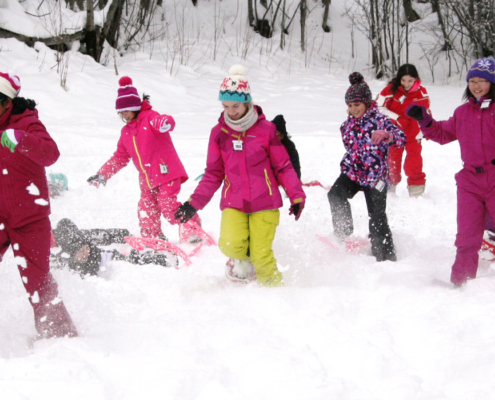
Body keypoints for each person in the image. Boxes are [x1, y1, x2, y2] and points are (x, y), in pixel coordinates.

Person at [174, 65, 305, 286]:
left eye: (235, 105)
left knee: (262, 255)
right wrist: (193, 203)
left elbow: (283, 166)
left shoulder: (266, 130)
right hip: (234, 201)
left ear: (247, 102)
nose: (231, 111)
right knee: (229, 245)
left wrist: (297, 195)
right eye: (225, 106)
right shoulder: (219, 133)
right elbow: (214, 173)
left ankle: (277, 295)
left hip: (265, 202)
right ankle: (245, 262)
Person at [0, 72, 77, 339]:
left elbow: (50, 154)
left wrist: (22, 141)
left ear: (9, 102)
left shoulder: (27, 123)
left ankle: (59, 337)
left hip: (29, 217)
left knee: (38, 282)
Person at [406, 57, 495, 286]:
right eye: (472, 81)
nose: (476, 86)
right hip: (469, 182)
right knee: (466, 239)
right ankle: (461, 285)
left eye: (482, 81)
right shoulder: (463, 112)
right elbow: (442, 134)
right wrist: (424, 120)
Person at [88, 76, 201, 243]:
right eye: (120, 112)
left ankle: (194, 229)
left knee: (168, 206)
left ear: (134, 107)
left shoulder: (150, 117)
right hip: (147, 179)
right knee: (146, 209)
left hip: (167, 173)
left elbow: (164, 120)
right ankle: (153, 238)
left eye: (125, 111)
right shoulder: (126, 132)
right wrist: (102, 174)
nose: (123, 115)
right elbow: (119, 157)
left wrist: (166, 123)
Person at [328, 72, 406, 262]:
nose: (354, 109)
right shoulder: (346, 126)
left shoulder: (381, 120)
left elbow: (401, 137)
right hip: (353, 173)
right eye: (350, 105)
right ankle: (343, 231)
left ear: (367, 103)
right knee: (335, 195)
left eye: (357, 105)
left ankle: (385, 253)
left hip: (375, 176)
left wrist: (388, 135)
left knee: (377, 216)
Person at [51, 219, 177, 276]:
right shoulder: (61, 261)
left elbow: (99, 238)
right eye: (81, 251)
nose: (86, 253)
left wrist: (154, 258)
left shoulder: (93, 253)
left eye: (86, 249)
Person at [376, 64, 431, 197]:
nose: (406, 84)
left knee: (414, 161)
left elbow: (426, 111)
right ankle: (389, 189)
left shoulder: (422, 92)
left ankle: (416, 190)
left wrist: (428, 127)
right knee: (392, 160)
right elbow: (378, 108)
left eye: (410, 80)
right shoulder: (390, 90)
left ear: (415, 80)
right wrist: (397, 118)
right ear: (399, 79)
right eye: (403, 80)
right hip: (394, 133)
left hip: (414, 131)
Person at [271, 115, 301, 180]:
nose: (278, 138)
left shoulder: (289, 146)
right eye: (276, 135)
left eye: (280, 135)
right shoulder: (266, 145)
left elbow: (295, 167)